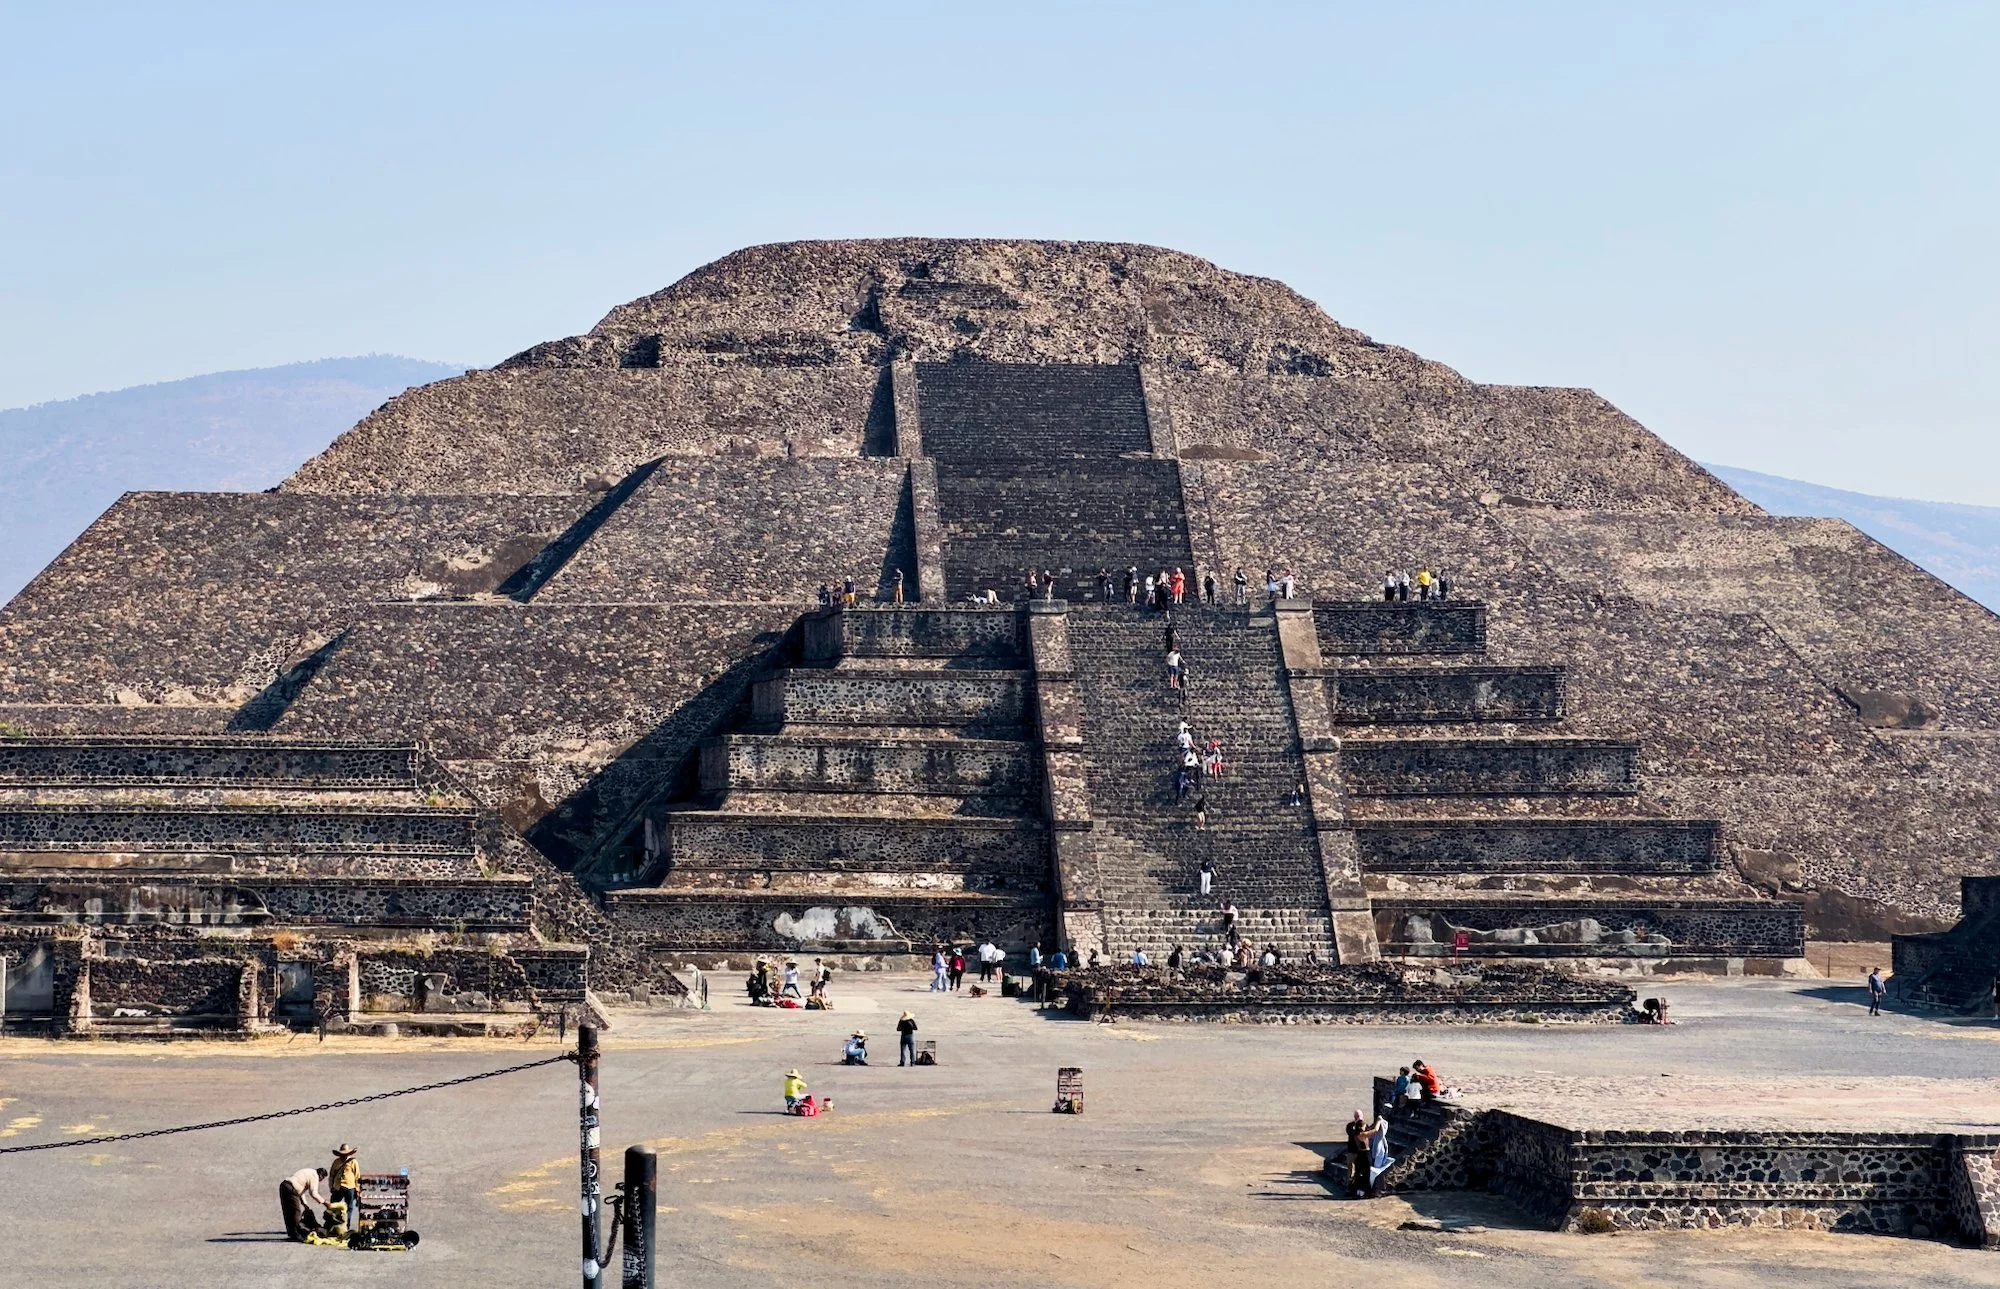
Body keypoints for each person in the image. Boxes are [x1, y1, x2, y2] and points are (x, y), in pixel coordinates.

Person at [279, 1165, 330, 1242]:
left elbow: (301, 1190)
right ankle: (296, 1234)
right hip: (291, 1189)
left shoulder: (309, 1172)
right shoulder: (314, 1176)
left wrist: (305, 1205)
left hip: (284, 1185)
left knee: (288, 1211)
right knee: (296, 1212)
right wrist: (325, 1202)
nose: (320, 1181)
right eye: (321, 1179)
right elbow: (314, 1193)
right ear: (321, 1176)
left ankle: (291, 1233)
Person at [328, 1144, 360, 1237]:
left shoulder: (353, 1162)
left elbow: (357, 1176)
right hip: (337, 1187)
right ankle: (332, 1225)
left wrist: (358, 1189)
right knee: (333, 1206)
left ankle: (346, 1226)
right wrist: (331, 1186)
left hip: (350, 1187)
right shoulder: (336, 1162)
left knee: (349, 1208)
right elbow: (331, 1175)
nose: (344, 1155)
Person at [1365, 1106, 1396, 1192]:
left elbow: (1378, 1129)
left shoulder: (1381, 1128)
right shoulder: (1375, 1133)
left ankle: (1373, 1185)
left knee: (1376, 1166)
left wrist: (1379, 1121)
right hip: (1374, 1149)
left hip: (1378, 1149)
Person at [1344, 1112, 1372, 1197]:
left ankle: (1357, 1189)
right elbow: (1352, 1134)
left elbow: (1369, 1133)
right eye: (1356, 1116)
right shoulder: (1350, 1126)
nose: (1358, 1118)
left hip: (1360, 1153)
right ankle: (1349, 1187)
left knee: (1360, 1172)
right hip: (1352, 1151)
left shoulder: (1365, 1125)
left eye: (1359, 1116)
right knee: (1351, 1169)